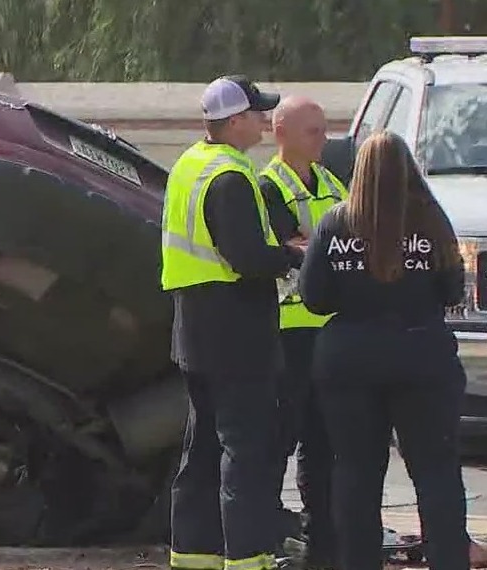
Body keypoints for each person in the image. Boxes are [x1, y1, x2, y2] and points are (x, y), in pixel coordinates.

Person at [299, 130, 469, 570]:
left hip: (349, 359)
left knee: (355, 471)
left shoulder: (336, 223)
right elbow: (452, 289)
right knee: (435, 471)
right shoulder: (432, 220)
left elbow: (314, 296)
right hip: (422, 355)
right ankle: (448, 559)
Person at [161, 74, 305, 570]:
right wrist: (290, 256)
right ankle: (248, 557)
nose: (266, 122)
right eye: (258, 114)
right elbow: (245, 256)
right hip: (236, 331)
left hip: (194, 332)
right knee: (246, 448)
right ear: (235, 120)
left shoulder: (189, 165)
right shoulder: (230, 176)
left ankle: (192, 555)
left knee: (201, 448)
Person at [258, 96, 347, 569]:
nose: (324, 139)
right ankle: (266, 541)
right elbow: (286, 245)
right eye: (313, 131)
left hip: (331, 331)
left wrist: (317, 248)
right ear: (283, 134)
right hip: (288, 331)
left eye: (323, 129)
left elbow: (347, 240)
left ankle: (322, 545)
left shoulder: (331, 181)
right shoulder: (269, 185)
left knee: (323, 442)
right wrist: (327, 250)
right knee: (277, 441)